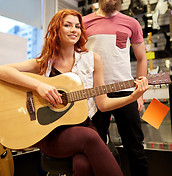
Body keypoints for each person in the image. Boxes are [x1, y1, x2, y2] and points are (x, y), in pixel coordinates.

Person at [0, 9, 148, 176]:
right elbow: (2, 71)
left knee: (83, 165)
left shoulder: (92, 59)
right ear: (57, 29)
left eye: (77, 26)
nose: (74, 30)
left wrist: (133, 96)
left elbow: (104, 105)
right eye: (67, 25)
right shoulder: (43, 63)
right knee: (91, 138)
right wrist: (38, 86)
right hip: (51, 133)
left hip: (84, 124)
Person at [83, 0, 149, 176]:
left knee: (135, 148)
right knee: (94, 148)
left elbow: (142, 58)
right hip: (95, 94)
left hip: (126, 91)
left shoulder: (132, 23)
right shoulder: (84, 23)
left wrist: (140, 92)